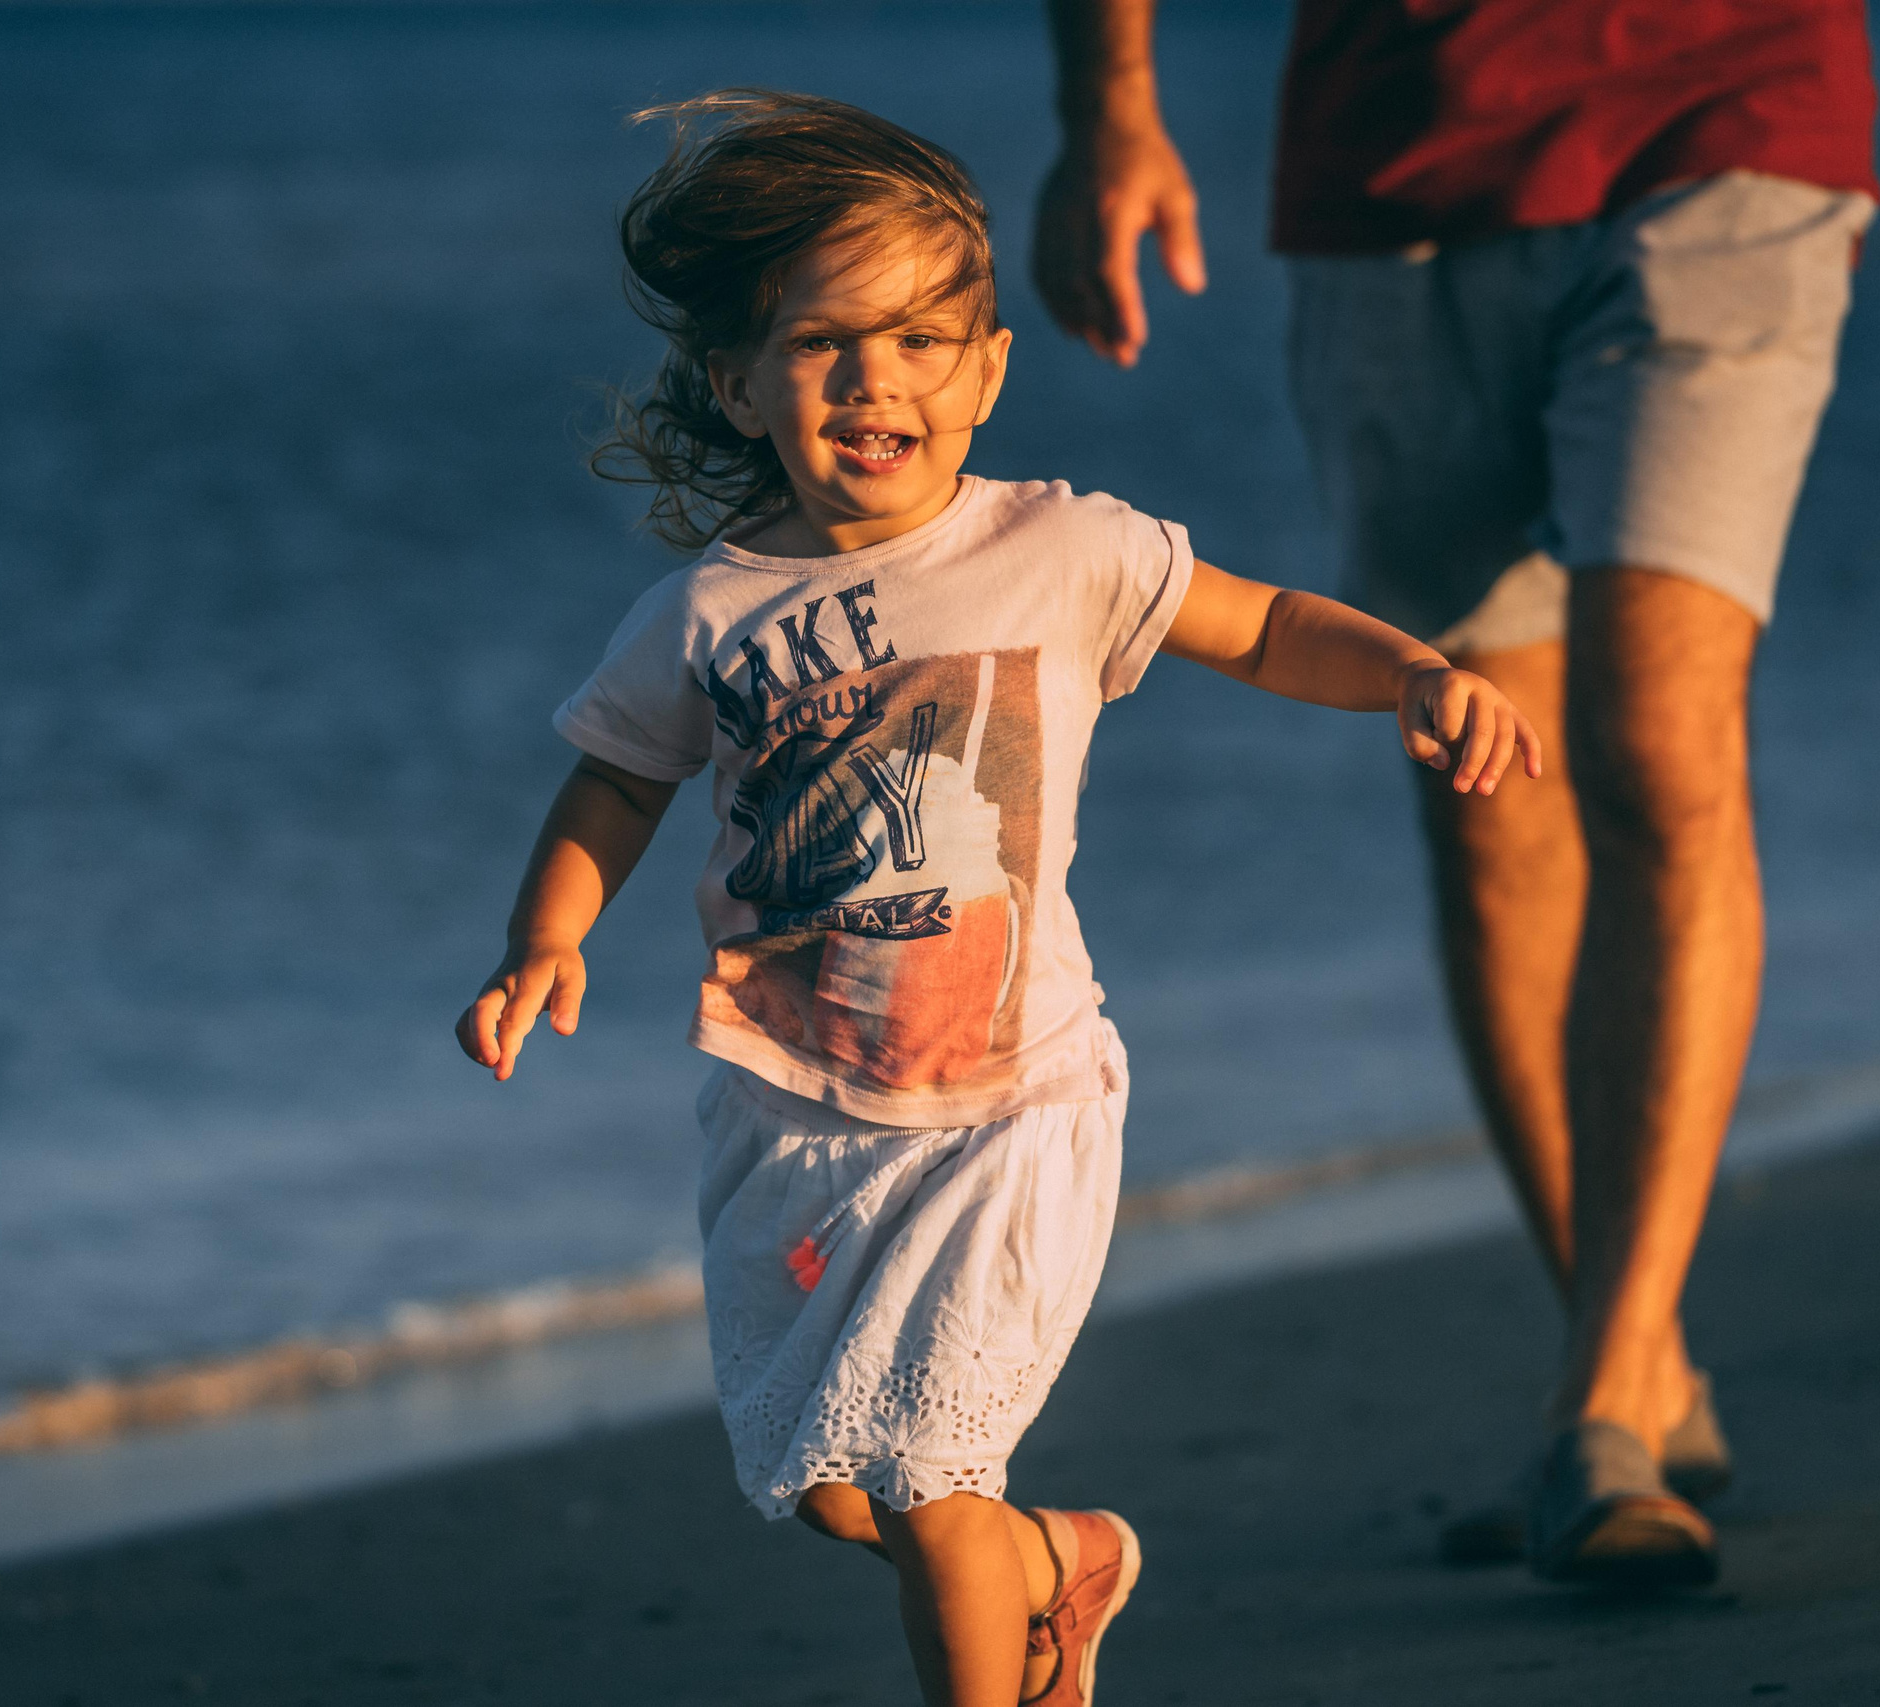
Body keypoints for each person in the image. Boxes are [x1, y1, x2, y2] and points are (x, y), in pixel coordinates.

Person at [457, 91, 1539, 1707]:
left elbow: (1258, 625)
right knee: (833, 1488)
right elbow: (617, 781)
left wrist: (1413, 673)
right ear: (740, 385)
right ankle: (1057, 1563)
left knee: (928, 1485)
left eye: (918, 340)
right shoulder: (710, 611)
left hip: (1012, 1102)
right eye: (822, 344)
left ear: (985, 372)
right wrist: (545, 936)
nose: (874, 381)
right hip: (792, 1109)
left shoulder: (1061, 547)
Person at [1034, 0, 1880, 1590]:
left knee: (1659, 739)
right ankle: (1642, 1363)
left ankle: (1598, 1404)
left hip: (1730, 112)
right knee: (1481, 786)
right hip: (1392, 158)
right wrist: (1109, 108)